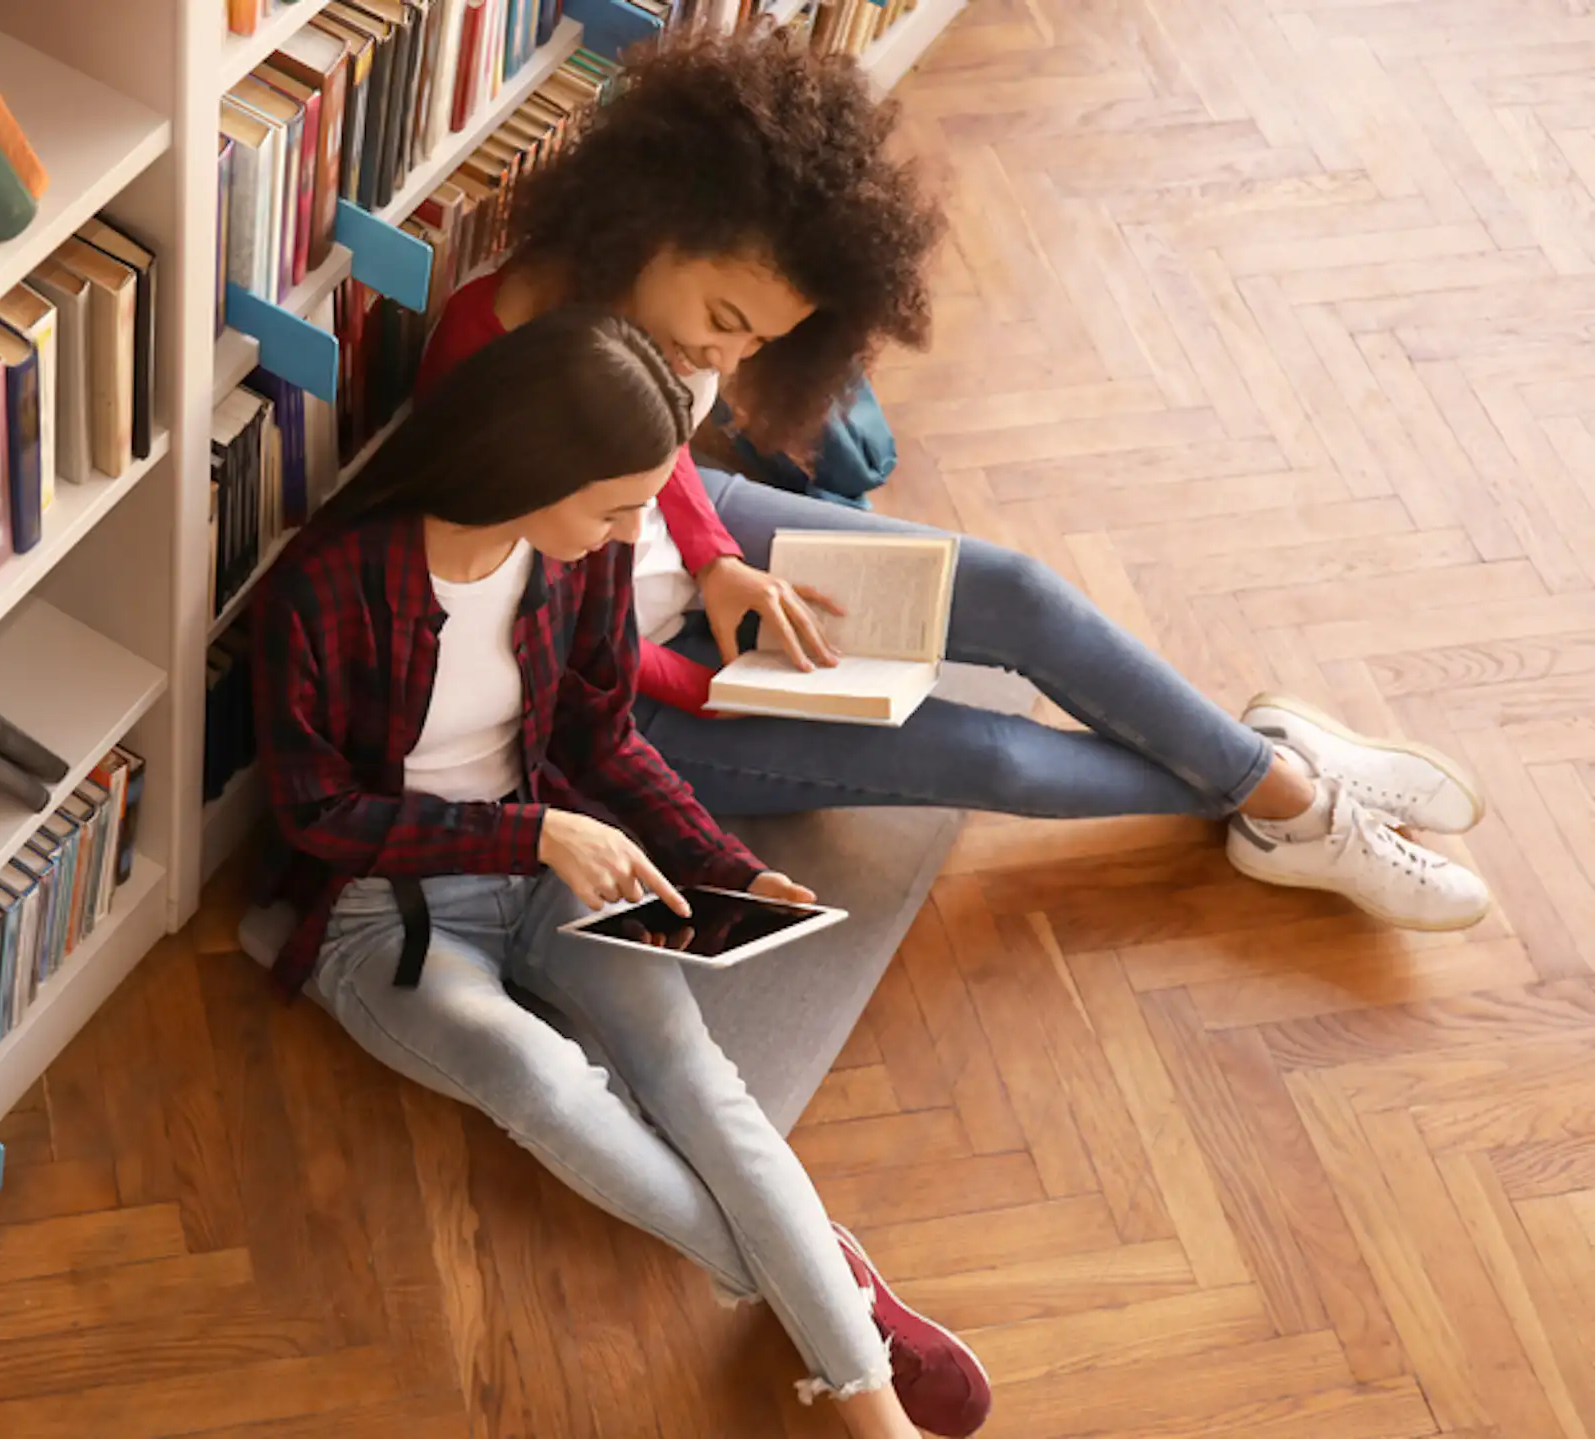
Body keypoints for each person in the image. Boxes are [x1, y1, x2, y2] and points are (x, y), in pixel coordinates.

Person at [412, 28, 1490, 932]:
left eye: (759, 342)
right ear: (644, 228)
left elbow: (665, 457)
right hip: (613, 694)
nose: (724, 361)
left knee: (1016, 592)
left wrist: (720, 560)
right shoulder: (494, 364)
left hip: (679, 569)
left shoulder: (664, 316)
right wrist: (719, 686)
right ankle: (1293, 798)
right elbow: (537, 636)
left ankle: (1280, 788)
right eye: (724, 323)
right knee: (991, 757)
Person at [254, 306, 991, 1439]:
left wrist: (722, 861)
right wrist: (529, 837)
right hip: (384, 911)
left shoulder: (578, 560)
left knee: (693, 1076)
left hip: (562, 853)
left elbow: (600, 739)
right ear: (531, 466)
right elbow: (317, 815)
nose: (635, 532)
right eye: (616, 505)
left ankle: (852, 1372)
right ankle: (832, 1304)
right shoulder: (327, 583)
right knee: (543, 1083)